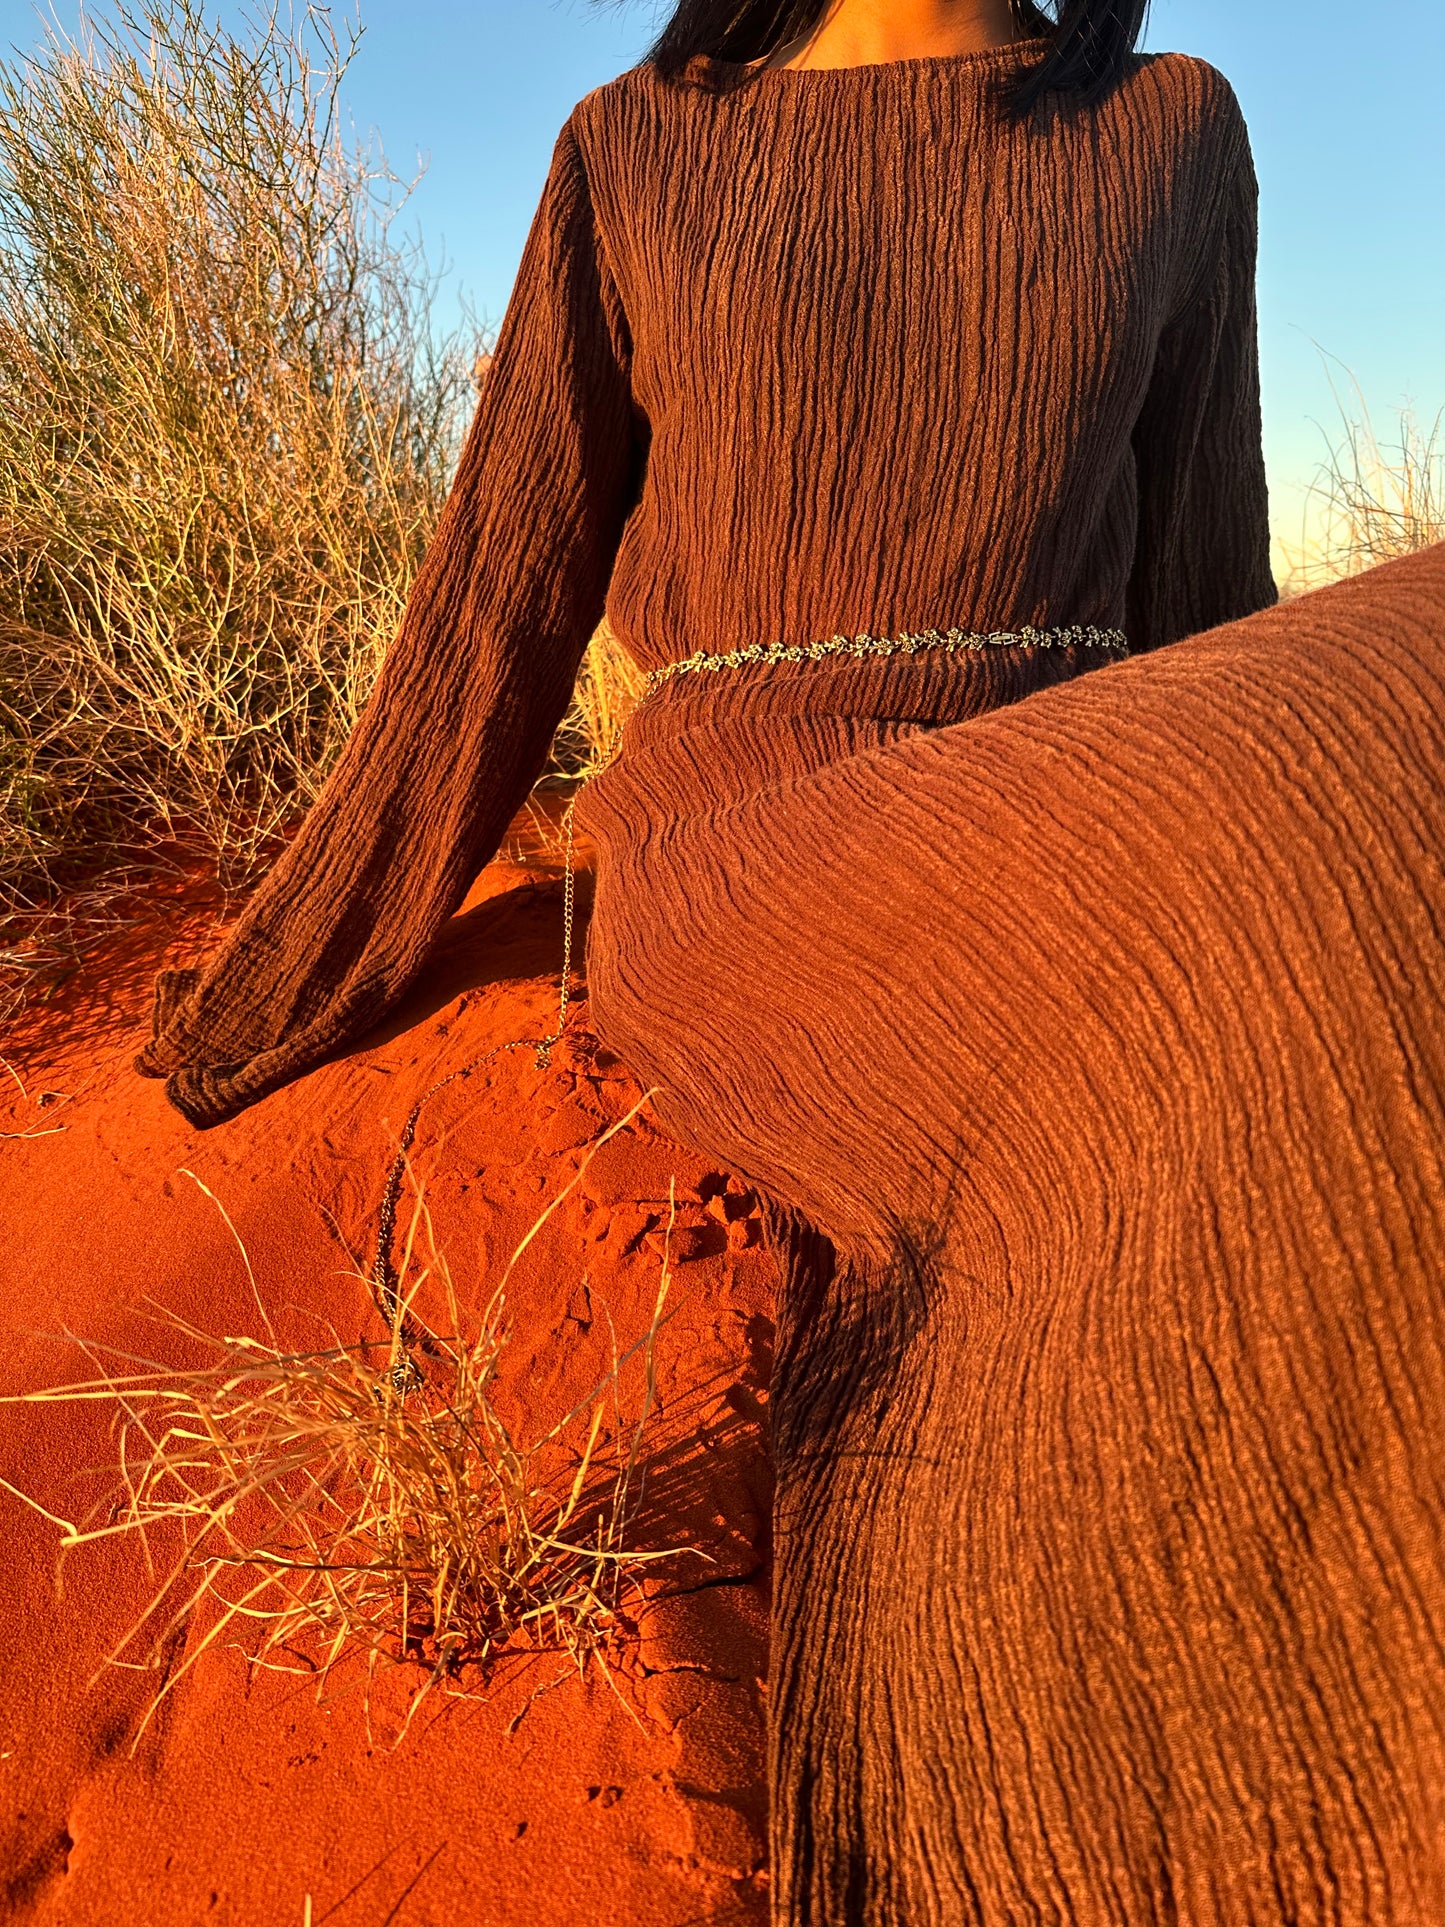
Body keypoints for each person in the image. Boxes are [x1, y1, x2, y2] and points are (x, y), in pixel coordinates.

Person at [137, 1, 1445, 1918]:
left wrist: (1243, 794)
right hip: (750, 834)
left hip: (1082, 775)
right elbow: (500, 598)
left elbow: (1203, 596)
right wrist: (277, 988)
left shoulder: (1170, 129)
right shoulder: (634, 146)